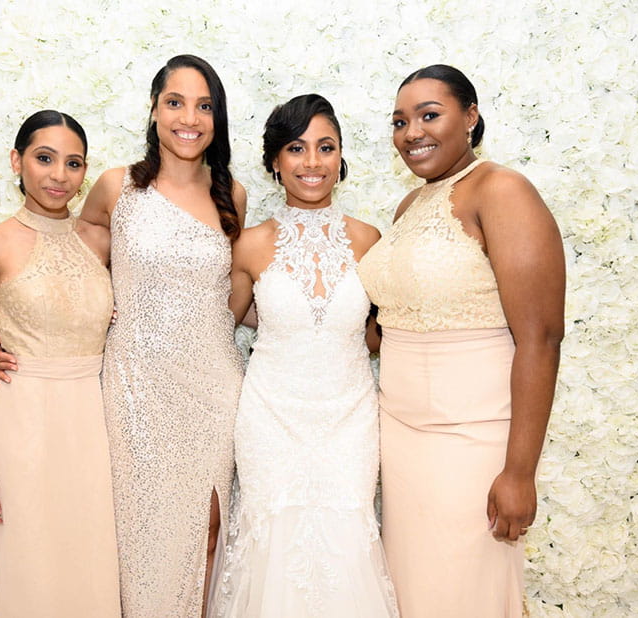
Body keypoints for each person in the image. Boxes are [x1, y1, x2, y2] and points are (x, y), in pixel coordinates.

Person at [0, 55, 247, 616]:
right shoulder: (115, 187)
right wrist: (19, 334)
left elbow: (237, 293)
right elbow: (66, 267)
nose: (189, 118)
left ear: (218, 119)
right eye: (175, 102)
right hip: (133, 395)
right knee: (135, 541)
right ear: (153, 110)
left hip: (214, 391)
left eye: (204, 106)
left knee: (207, 533)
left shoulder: (235, 195)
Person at [358, 64, 566, 617]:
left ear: (470, 117)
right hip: (400, 438)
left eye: (430, 115)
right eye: (400, 121)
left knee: (463, 596)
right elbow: (396, 321)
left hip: (471, 443)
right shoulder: (409, 207)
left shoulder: (503, 190)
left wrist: (519, 472)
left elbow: (541, 338)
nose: (412, 133)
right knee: (411, 593)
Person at [210, 94, 398, 617]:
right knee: (274, 545)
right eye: (296, 148)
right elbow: (220, 320)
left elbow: (379, 334)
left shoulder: (370, 241)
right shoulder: (248, 245)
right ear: (275, 160)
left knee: (347, 537)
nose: (312, 162)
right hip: (271, 418)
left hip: (350, 419)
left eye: (325, 147)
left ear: (341, 157)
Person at [0, 110, 120, 616]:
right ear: (17, 161)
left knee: (91, 562)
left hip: (95, 425)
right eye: (44, 158)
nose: (59, 175)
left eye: (73, 163)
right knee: (30, 566)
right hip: (23, 423)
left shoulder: (102, 242)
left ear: (85, 172)